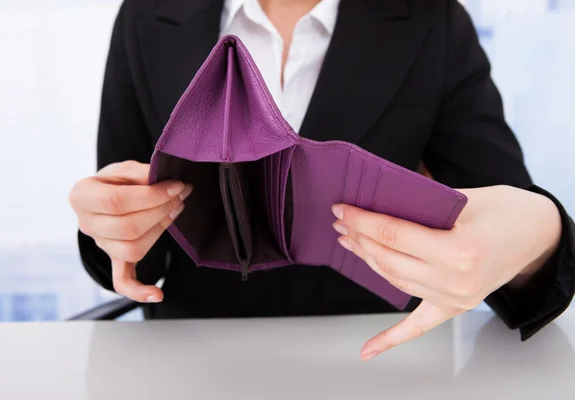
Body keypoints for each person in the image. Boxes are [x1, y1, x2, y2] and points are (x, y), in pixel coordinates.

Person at [69, 0, 575, 361]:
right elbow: (133, 238)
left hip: (374, 359)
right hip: (194, 358)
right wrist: (113, 226)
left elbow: (505, 225)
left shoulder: (432, 18)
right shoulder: (146, 14)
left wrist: (541, 229)